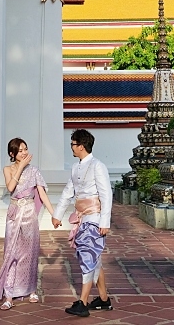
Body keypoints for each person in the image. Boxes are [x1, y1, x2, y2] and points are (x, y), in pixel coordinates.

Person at [52, 129, 113, 317]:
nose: (71, 147)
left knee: (87, 257)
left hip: (94, 218)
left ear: (81, 146)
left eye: (72, 144)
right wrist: (57, 214)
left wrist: (105, 221)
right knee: (94, 259)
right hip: (81, 217)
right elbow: (68, 192)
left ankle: (83, 302)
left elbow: (106, 194)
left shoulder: (98, 166)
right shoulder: (75, 167)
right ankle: (103, 300)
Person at [0, 138, 55, 310]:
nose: (25, 153)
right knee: (11, 253)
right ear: (12, 154)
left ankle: (31, 289)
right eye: (20, 151)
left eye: (26, 149)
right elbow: (11, 187)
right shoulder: (7, 169)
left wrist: (54, 214)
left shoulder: (34, 170)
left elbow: (42, 195)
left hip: (29, 214)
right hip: (14, 214)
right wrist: (20, 167)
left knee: (30, 253)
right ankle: (9, 294)